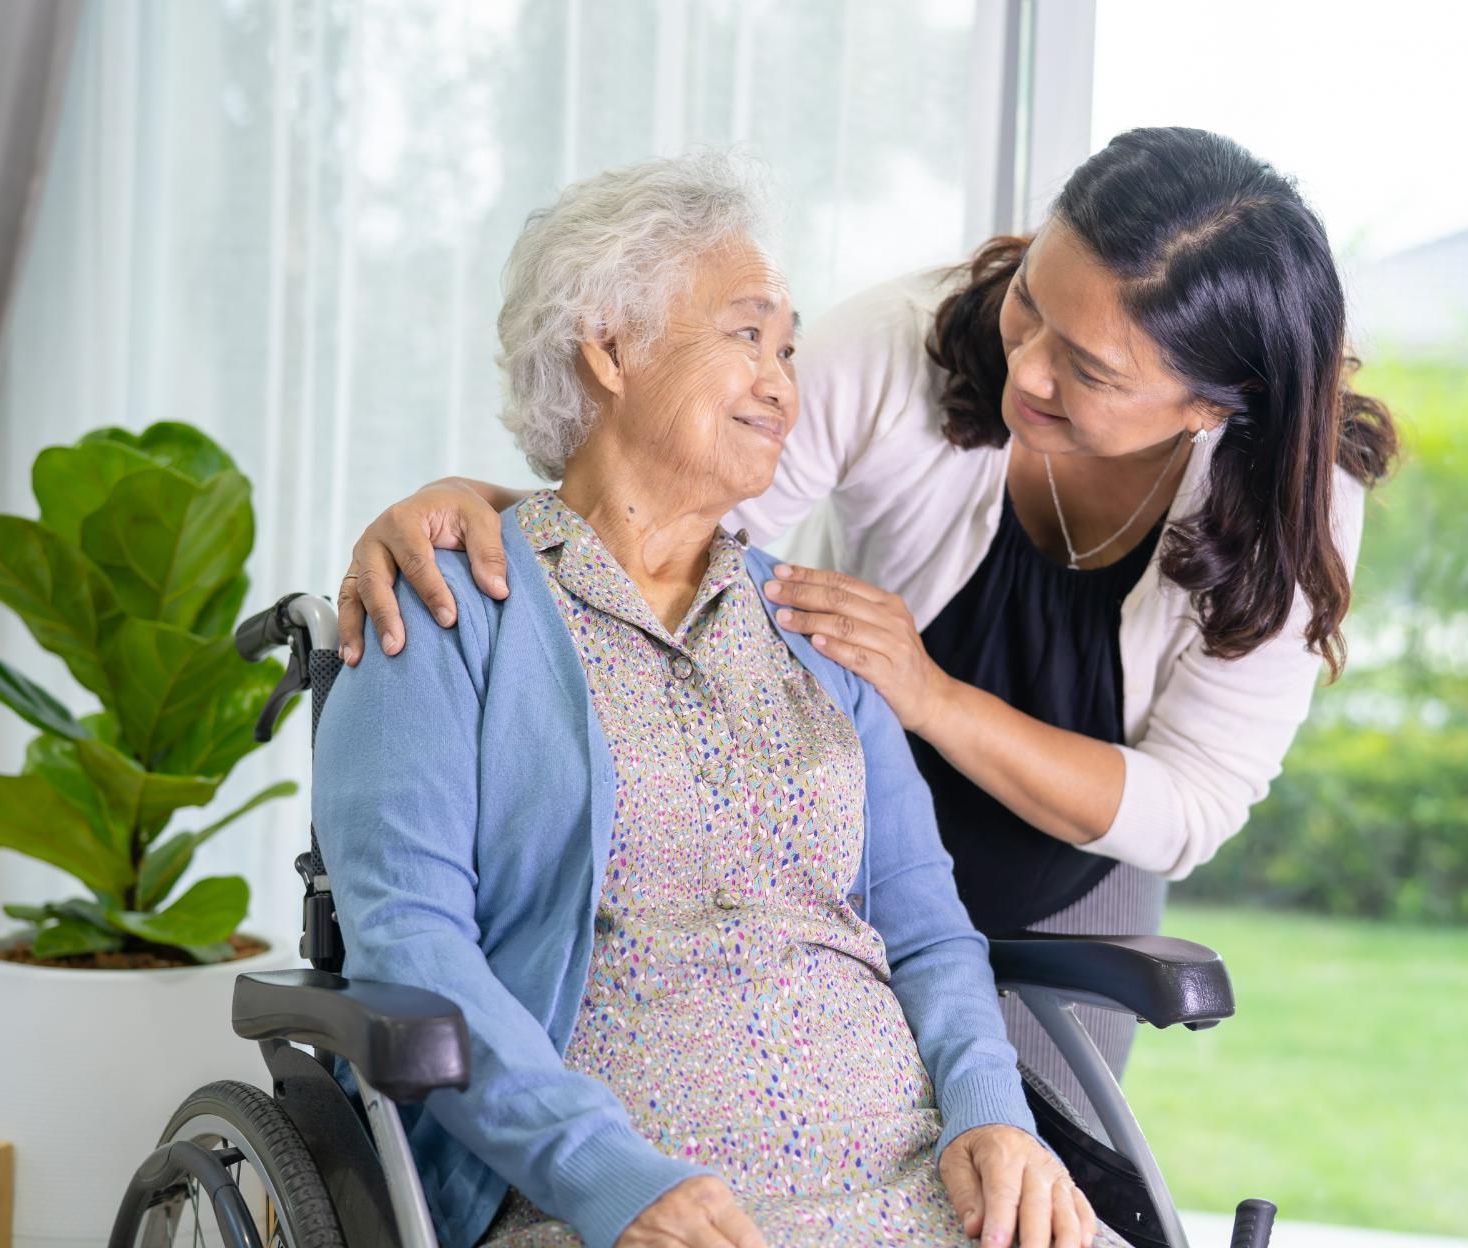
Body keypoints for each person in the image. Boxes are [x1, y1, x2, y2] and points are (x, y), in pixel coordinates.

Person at [338, 127, 1399, 1120]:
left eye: (1089, 370)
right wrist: (467, 506)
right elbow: (663, 511)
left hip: (1068, 867)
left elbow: (1191, 799)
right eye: (1031, 302)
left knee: (1029, 1172)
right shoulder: (908, 344)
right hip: (827, 827)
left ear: (1209, 406)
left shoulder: (1289, 507)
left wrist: (931, 696)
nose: (1025, 366)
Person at [314, 151, 1116, 1248]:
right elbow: (412, 948)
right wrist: (606, 1178)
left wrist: (991, 1114)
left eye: (789, 350)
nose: (786, 385)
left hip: (920, 1184)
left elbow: (928, 933)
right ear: (608, 348)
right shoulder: (445, 615)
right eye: (748, 337)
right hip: (623, 1204)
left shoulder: (820, 635)